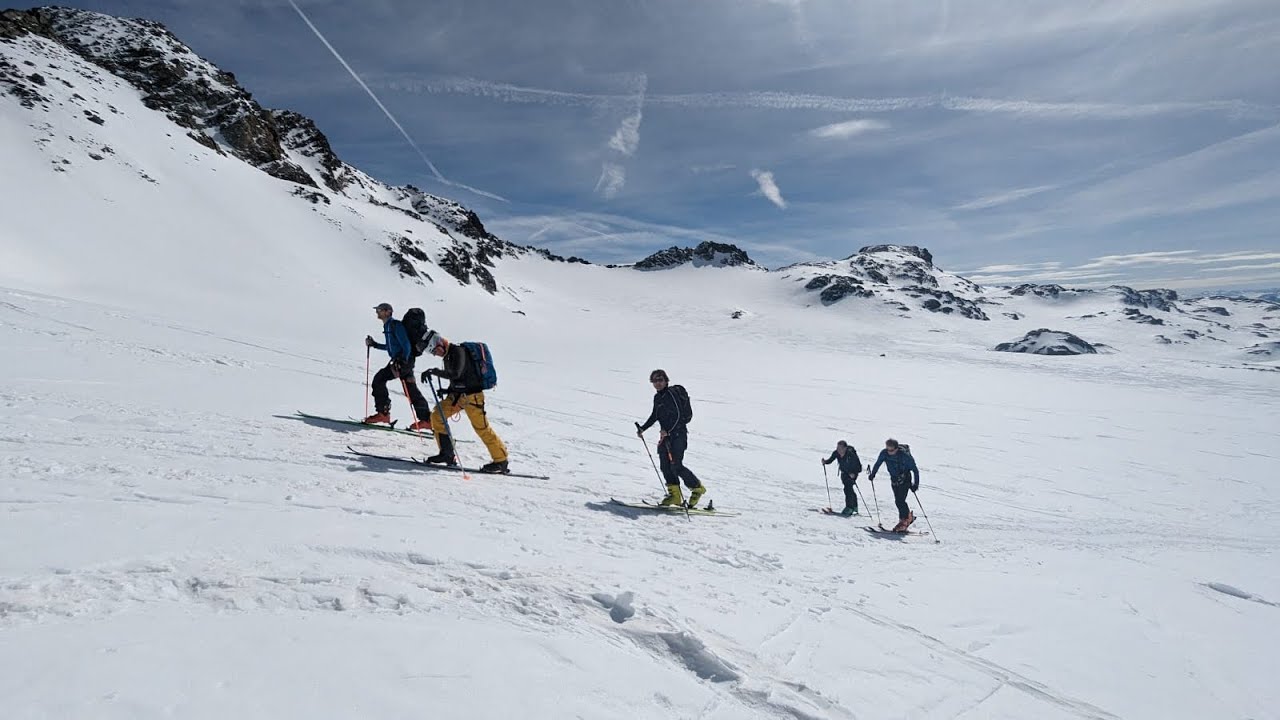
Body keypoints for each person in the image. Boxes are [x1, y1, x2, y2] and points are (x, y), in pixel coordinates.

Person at [419, 330, 509, 474]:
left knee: (482, 428)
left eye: (435, 351)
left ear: (440, 343)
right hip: (458, 396)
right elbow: (458, 379)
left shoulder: (458, 351)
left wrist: (433, 371)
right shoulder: (448, 356)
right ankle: (447, 454)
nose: (437, 354)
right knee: (437, 415)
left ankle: (501, 460)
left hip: (472, 397)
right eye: (434, 353)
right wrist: (447, 391)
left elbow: (456, 373)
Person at [635, 369, 707, 507]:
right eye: (655, 381)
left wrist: (668, 430)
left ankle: (697, 488)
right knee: (665, 466)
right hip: (666, 437)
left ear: (666, 380)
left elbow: (679, 415)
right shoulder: (658, 397)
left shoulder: (671, 394)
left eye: (660, 380)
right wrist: (643, 428)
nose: (658, 383)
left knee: (676, 466)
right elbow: (655, 415)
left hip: (678, 435)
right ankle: (675, 496)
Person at [363, 302, 432, 430]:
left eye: (380, 310)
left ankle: (383, 414)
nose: (377, 312)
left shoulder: (395, 325)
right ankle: (426, 420)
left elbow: (406, 345)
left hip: (402, 362)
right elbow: (391, 347)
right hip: (402, 361)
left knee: (379, 379)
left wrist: (403, 360)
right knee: (411, 390)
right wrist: (375, 344)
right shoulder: (389, 326)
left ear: (388, 311)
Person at [868, 438, 919, 531]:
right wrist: (873, 474)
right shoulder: (884, 453)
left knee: (900, 500)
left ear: (896, 449)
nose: (889, 451)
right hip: (894, 479)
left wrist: (916, 484)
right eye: (887, 449)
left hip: (905, 478)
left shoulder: (905, 456)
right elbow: (878, 463)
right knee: (898, 500)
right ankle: (905, 519)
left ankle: (904, 520)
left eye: (891, 450)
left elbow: (915, 470)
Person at [822, 440, 863, 516]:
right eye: (837, 448)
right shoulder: (836, 453)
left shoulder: (851, 455)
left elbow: (859, 467)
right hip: (844, 473)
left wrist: (853, 473)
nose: (838, 450)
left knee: (848, 489)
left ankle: (849, 507)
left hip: (852, 474)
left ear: (845, 448)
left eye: (840, 448)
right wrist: (825, 462)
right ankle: (854, 507)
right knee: (849, 489)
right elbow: (831, 460)